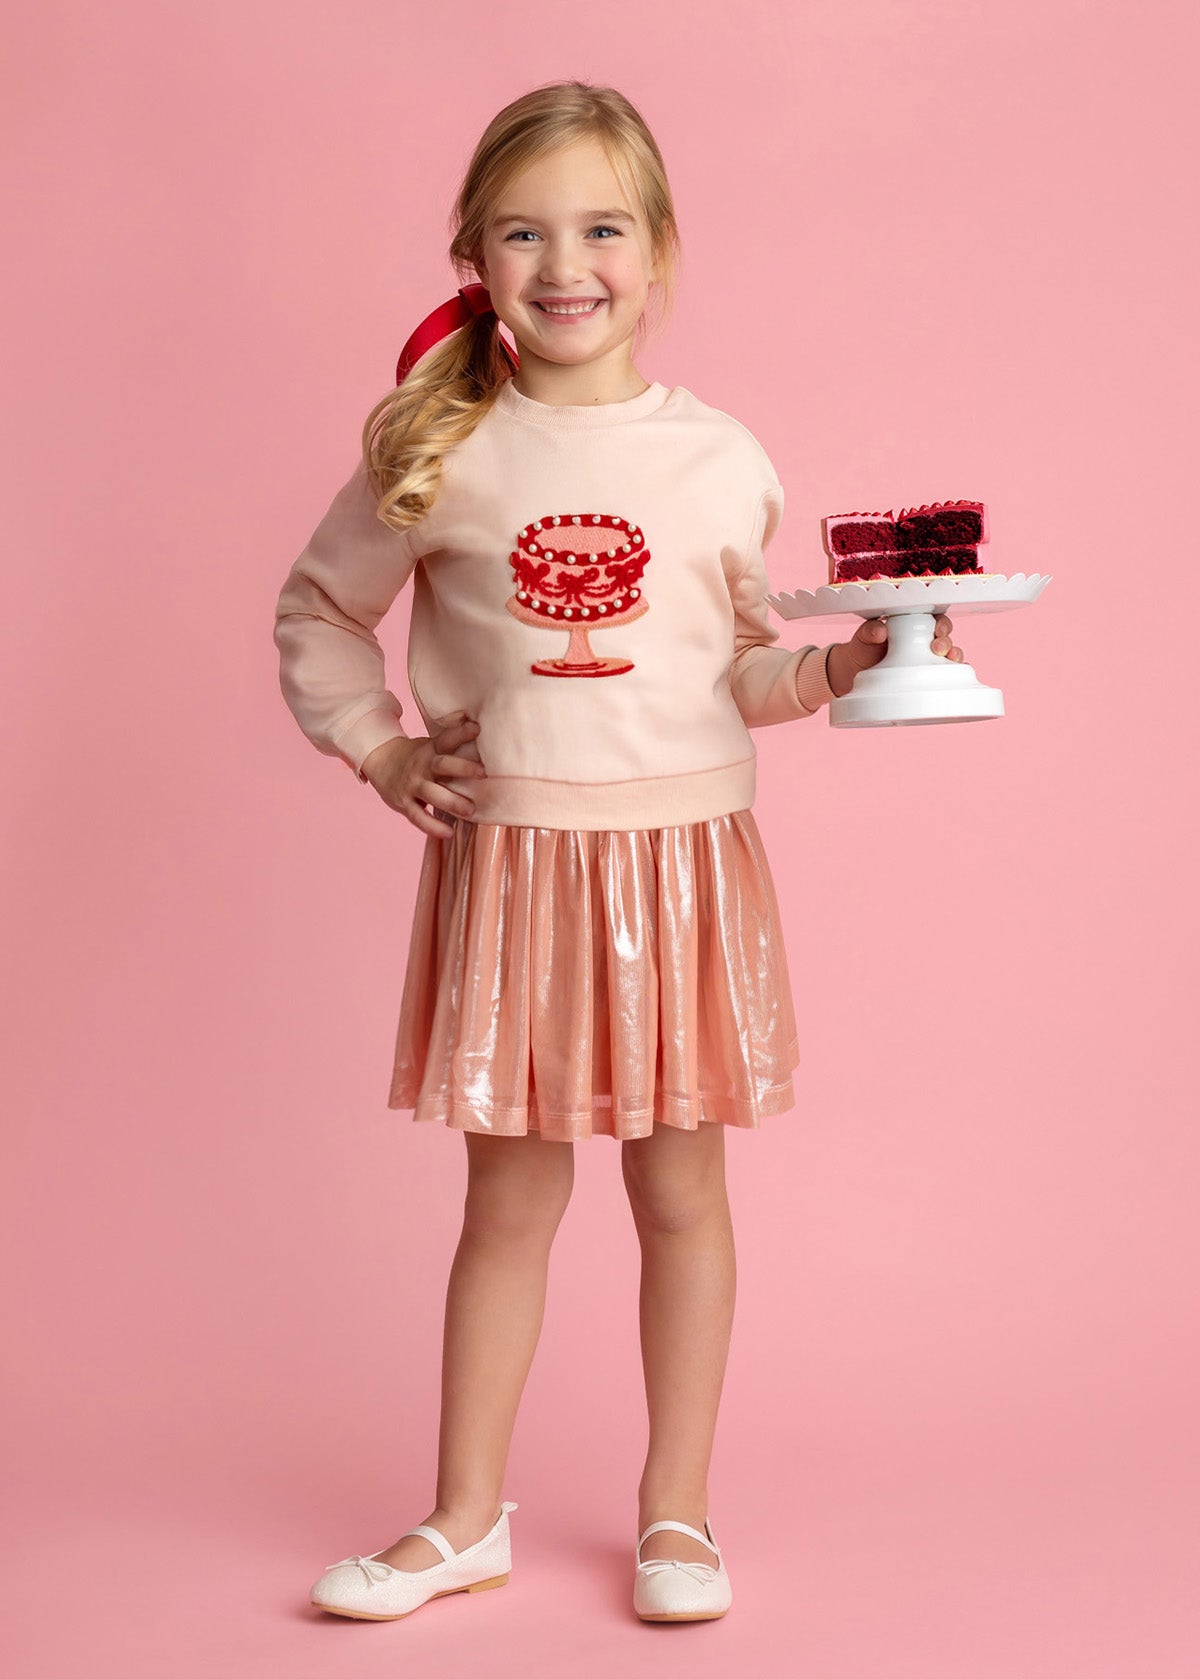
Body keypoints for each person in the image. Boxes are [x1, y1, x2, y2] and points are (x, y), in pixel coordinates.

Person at [274, 80, 965, 1627]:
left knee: (682, 1197)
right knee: (507, 1208)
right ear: (474, 257)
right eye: (523, 233)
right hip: (518, 872)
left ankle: (679, 1516)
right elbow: (318, 610)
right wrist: (382, 749)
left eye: (601, 229)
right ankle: (465, 1518)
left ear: (657, 251)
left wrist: (849, 666)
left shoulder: (718, 457)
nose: (565, 264)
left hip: (681, 873)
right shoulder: (439, 449)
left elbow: (735, 677)